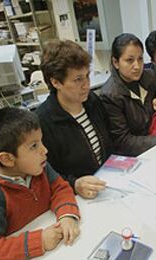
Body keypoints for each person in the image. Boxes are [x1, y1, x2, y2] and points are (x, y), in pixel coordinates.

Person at [0, 108, 81, 260]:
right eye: (34, 146)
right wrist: (39, 241)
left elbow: (60, 188)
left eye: (41, 142)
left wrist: (67, 215)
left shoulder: (39, 168)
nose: (44, 150)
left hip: (56, 255)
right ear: (7, 159)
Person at [36, 39, 111, 199]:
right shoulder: (43, 122)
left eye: (87, 76)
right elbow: (44, 175)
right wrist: (75, 184)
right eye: (78, 79)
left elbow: (109, 145)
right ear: (56, 82)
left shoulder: (92, 101)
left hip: (105, 185)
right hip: (75, 197)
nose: (87, 85)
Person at [101, 33, 156, 156]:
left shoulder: (150, 76)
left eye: (140, 59)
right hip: (134, 155)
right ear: (115, 62)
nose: (137, 66)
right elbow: (122, 141)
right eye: (129, 60)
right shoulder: (110, 95)